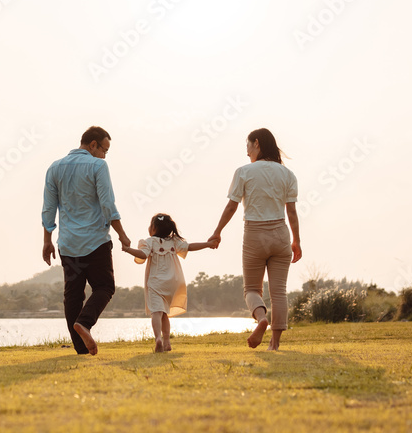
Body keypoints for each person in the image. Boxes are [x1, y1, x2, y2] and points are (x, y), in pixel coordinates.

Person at [209, 128, 301, 351]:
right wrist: (297, 241)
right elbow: (291, 213)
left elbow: (232, 206)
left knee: (251, 289)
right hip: (280, 232)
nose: (247, 151)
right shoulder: (288, 174)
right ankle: (275, 344)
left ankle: (261, 319)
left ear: (257, 144)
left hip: (254, 234)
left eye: (248, 145)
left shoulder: (244, 172)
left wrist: (217, 231)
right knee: (279, 291)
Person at [42, 126, 132, 355]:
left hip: (68, 243)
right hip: (95, 241)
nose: (104, 155)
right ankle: (85, 323)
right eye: (104, 149)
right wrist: (122, 234)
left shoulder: (54, 168)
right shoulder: (98, 165)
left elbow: (48, 209)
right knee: (105, 286)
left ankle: (80, 349)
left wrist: (47, 240)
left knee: (73, 294)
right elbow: (107, 204)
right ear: (93, 145)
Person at [122, 213, 214, 353]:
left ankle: (158, 338)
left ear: (153, 228)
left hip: (156, 282)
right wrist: (208, 244)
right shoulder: (174, 242)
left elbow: (142, 255)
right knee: (164, 313)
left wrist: (128, 250)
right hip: (173, 281)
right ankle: (167, 342)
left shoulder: (149, 242)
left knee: (156, 313)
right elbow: (190, 247)